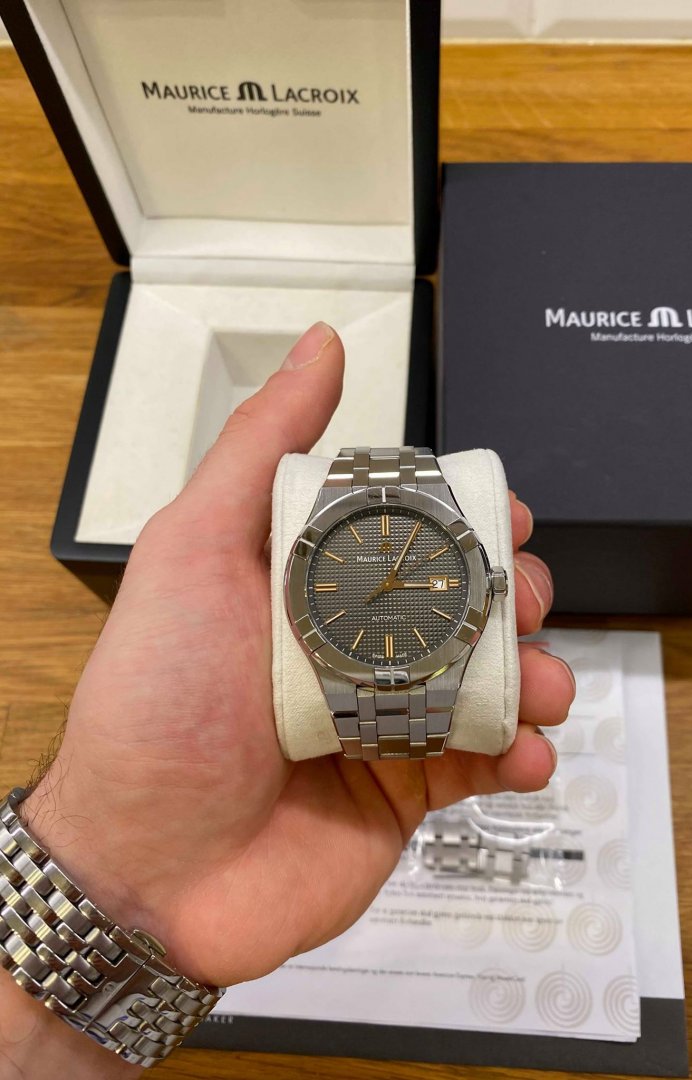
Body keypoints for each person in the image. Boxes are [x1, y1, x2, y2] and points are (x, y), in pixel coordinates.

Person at [0, 324, 575, 1076]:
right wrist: (123, 876)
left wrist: (121, 886)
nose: (388, 587)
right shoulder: (402, 573)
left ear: (484, 581)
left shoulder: (355, 568)